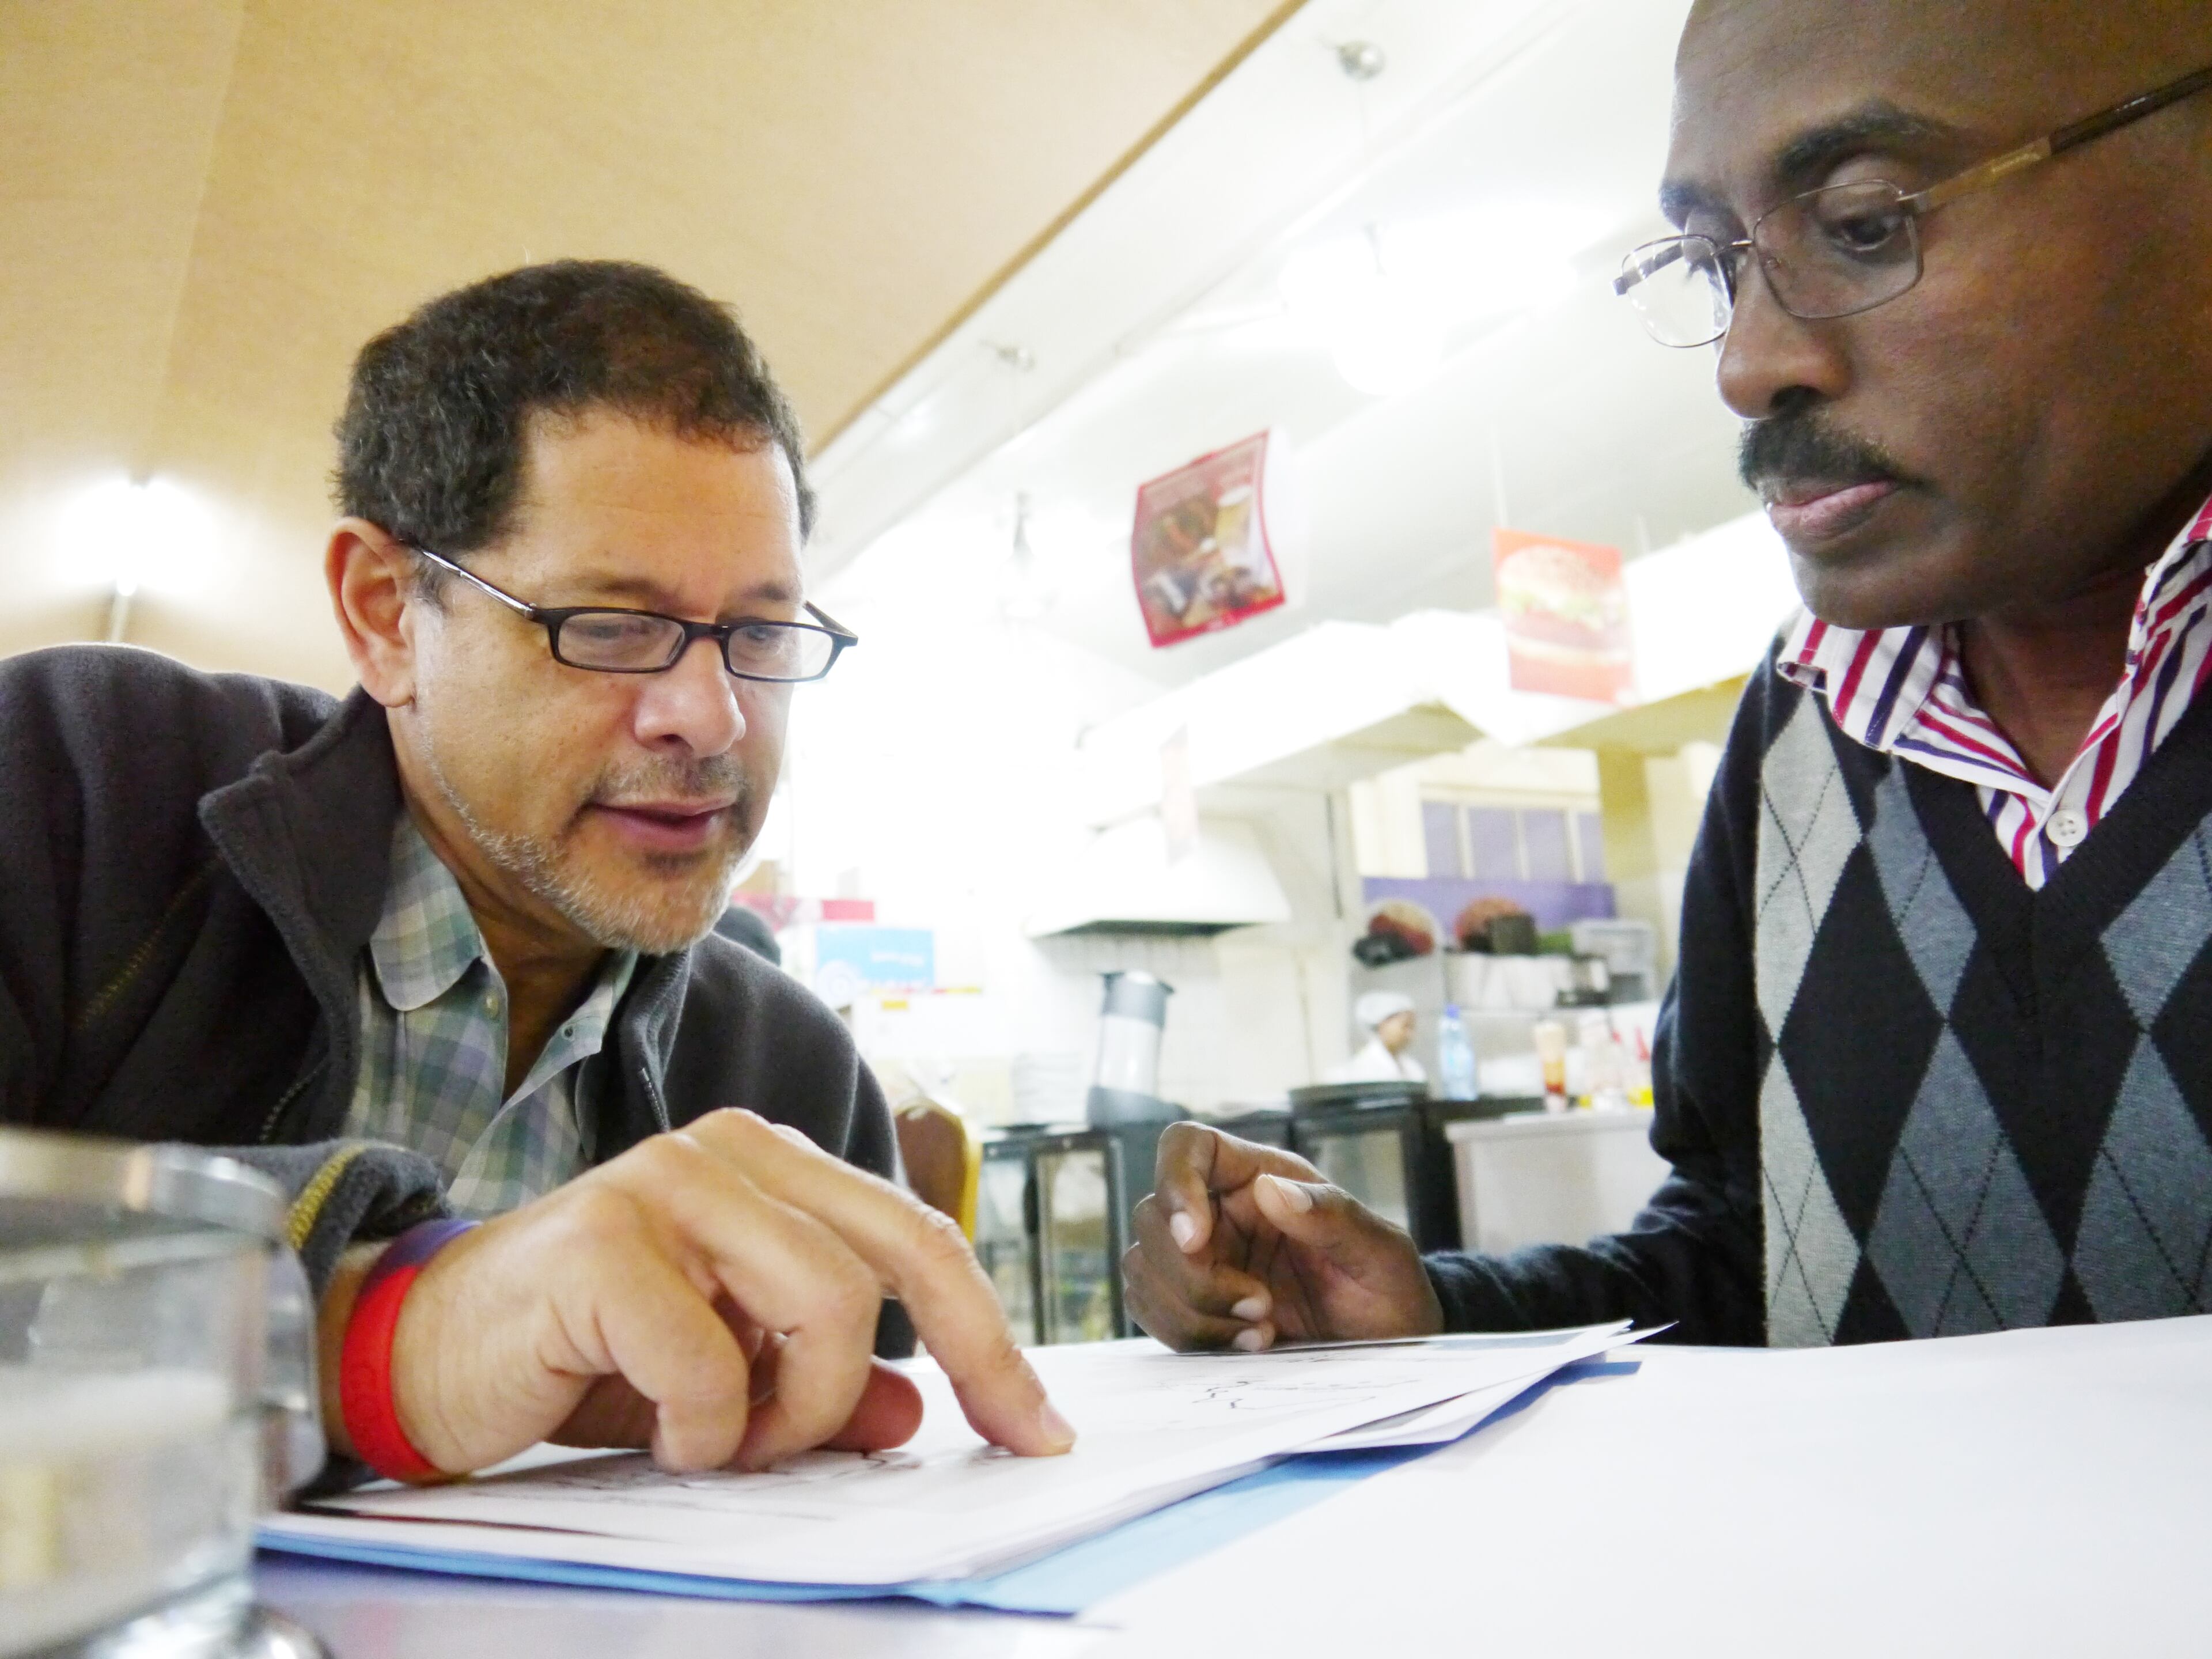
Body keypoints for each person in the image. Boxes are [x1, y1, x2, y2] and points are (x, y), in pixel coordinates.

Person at [1127, 0, 2212, 1354]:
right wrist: (1423, 1309)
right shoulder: (1802, 730)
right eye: (1714, 267)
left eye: (1866, 222)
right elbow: (1748, 1251)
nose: (1750, 365)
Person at [0, 261, 1070, 1480]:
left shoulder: (791, 1074)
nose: (710, 717)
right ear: (388, 616)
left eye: (761, 635)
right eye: (610, 626)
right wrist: (382, 1332)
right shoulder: (76, 787)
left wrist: (1265, 1351)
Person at [1325, 991, 1427, 1086]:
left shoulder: (1413, 1069)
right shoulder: (1359, 1071)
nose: (1410, 1035)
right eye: (1405, 1027)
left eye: (1412, 1028)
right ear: (1383, 1024)